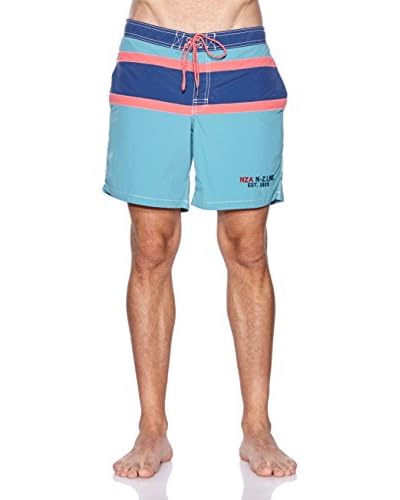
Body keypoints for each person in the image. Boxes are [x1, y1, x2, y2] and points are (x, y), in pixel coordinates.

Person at [103, 0, 296, 479]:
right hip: (150, 54)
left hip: (240, 56)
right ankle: (151, 427)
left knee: (248, 248)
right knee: (151, 247)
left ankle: (257, 426)